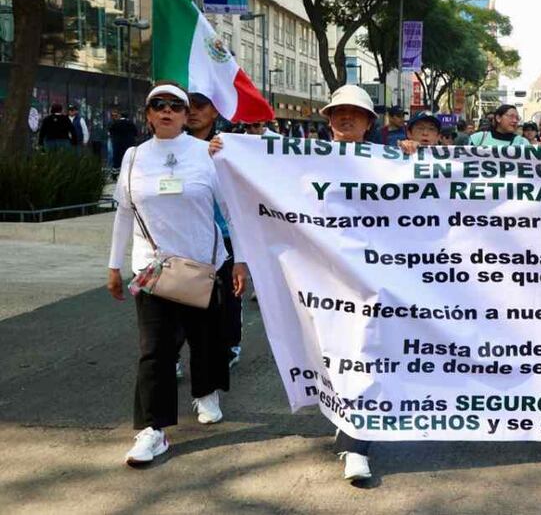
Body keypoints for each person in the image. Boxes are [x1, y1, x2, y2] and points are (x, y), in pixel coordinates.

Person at [209, 84, 378, 482]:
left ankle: (357, 442)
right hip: (318, 277)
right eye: (338, 112)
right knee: (329, 350)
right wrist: (224, 153)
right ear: (329, 120)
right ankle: (345, 417)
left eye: (355, 112)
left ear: (369, 122)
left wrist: (411, 155)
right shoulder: (300, 160)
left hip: (371, 278)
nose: (345, 117)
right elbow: (257, 187)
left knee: (364, 350)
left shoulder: (385, 160)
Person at [107, 82, 248, 467]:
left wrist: (241, 259)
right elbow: (123, 212)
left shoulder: (208, 154)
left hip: (204, 265)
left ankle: (206, 392)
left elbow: (232, 210)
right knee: (155, 351)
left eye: (175, 105)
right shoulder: (133, 158)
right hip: (153, 270)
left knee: (207, 340)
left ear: (187, 116)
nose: (166, 111)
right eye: (158, 105)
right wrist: (113, 264)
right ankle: (153, 430)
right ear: (148, 114)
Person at [187, 93, 244, 369]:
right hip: (186, 236)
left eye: (200, 107)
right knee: (178, 296)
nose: (192, 113)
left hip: (225, 234)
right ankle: (171, 352)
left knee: (229, 295)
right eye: (188, 107)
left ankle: (230, 344)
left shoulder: (229, 145)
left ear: (215, 112)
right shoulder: (173, 147)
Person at [108, 108, 139, 176]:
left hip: (117, 143)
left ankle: (115, 173)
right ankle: (128, 172)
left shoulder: (116, 123)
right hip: (128, 144)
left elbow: (111, 131)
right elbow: (136, 133)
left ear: (121, 116)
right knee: (128, 158)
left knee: (117, 158)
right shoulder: (130, 123)